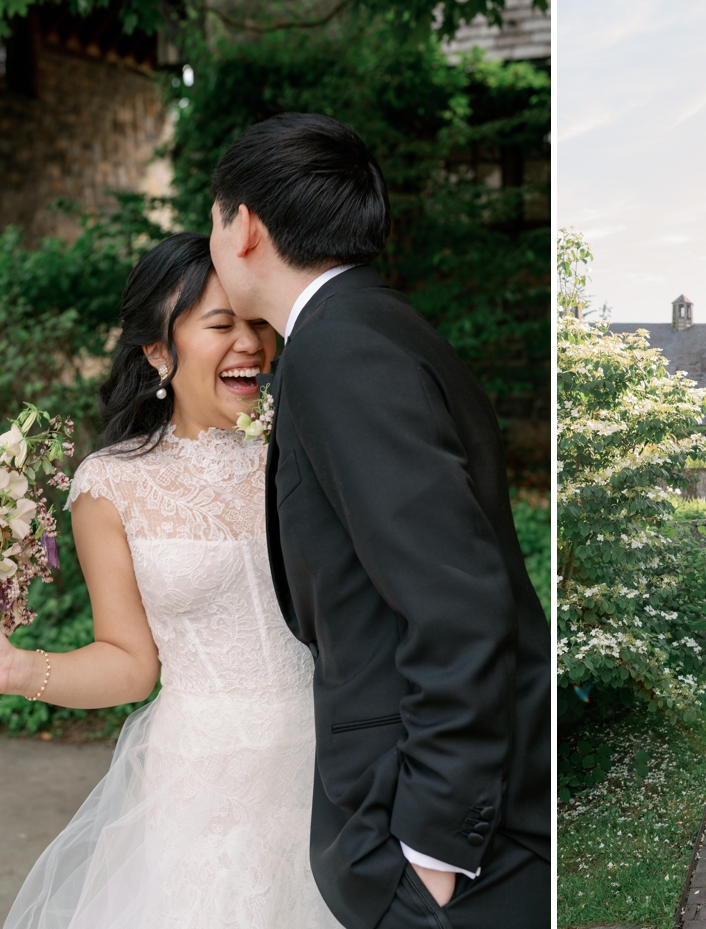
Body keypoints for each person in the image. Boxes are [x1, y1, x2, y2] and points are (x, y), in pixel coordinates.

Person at [208, 113, 550, 929]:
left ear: (245, 225)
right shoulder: (370, 327)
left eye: (213, 218)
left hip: (446, 855)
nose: (212, 239)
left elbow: (460, 601)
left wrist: (433, 852)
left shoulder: (342, 350)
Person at [0, 232, 340, 926]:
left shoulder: (307, 444)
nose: (249, 343)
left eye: (257, 322)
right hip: (204, 786)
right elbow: (129, 665)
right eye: (221, 325)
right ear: (158, 351)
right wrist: (13, 670)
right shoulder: (112, 485)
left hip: (336, 760)